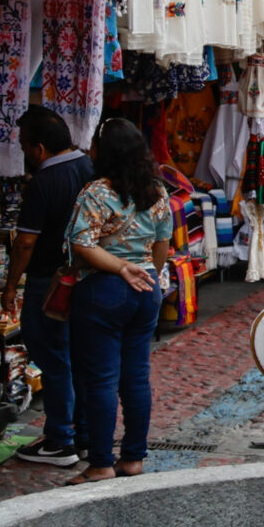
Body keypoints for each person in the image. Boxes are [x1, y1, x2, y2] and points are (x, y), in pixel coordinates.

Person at [65, 118, 175, 485]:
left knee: (100, 379)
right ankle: (133, 458)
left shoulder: (96, 192)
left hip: (103, 291)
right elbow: (162, 245)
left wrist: (121, 268)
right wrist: (144, 273)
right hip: (146, 292)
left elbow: (82, 243)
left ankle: (100, 462)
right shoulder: (157, 192)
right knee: (136, 377)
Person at [2, 107, 93, 468]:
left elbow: (25, 242)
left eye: (25, 146)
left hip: (48, 279)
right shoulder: (88, 169)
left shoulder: (44, 180)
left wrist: (11, 285)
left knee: (53, 358)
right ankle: (82, 435)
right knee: (75, 358)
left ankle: (61, 439)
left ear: (38, 148)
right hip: (83, 276)